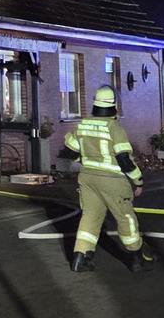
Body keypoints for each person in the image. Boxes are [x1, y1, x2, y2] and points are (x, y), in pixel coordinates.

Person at [64, 85, 156, 272]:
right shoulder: (115, 128)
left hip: (88, 179)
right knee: (125, 218)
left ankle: (80, 258)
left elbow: (68, 151)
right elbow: (124, 159)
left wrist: (85, 158)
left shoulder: (83, 125)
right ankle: (137, 257)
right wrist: (138, 181)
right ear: (113, 106)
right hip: (112, 181)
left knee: (90, 217)